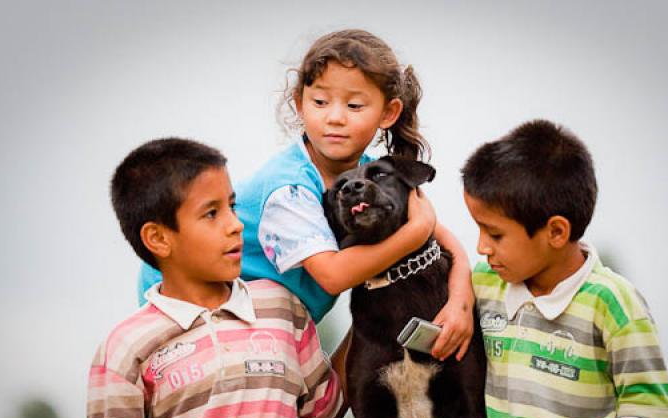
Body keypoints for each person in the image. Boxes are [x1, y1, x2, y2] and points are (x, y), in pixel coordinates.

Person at [138, 29, 474, 360]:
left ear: (388, 113)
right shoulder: (290, 188)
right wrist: (415, 232)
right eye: (320, 102)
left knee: (333, 388)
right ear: (300, 104)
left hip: (274, 322)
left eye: (355, 105)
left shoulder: (373, 175)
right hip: (192, 309)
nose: (335, 117)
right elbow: (333, 276)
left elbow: (447, 245)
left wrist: (461, 300)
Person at [85, 138, 345, 418]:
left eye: (232, 205)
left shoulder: (279, 307)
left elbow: (328, 407)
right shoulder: (125, 347)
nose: (235, 224)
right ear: (158, 238)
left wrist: (372, 314)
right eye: (211, 213)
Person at [457, 120, 668, 418]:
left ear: (556, 232)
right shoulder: (481, 284)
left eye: (495, 234)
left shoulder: (614, 302)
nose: (481, 247)